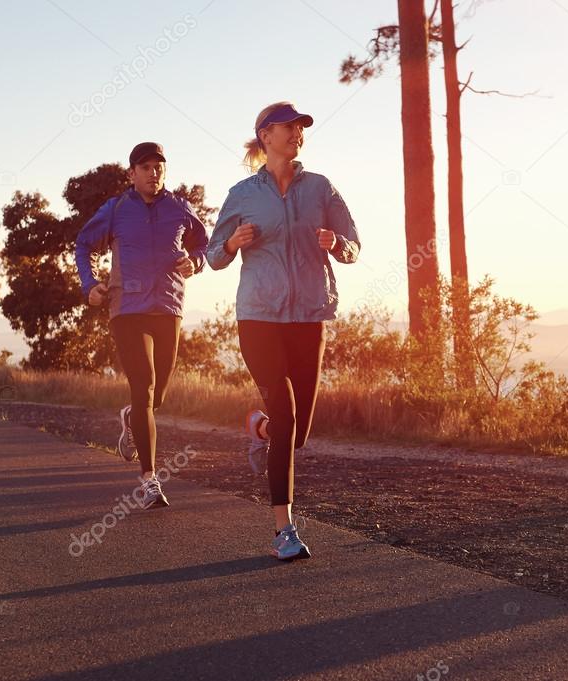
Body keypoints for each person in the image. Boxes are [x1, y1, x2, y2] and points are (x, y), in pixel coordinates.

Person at [206, 102, 360, 560]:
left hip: (308, 316)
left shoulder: (320, 188)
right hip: (258, 317)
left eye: (300, 127)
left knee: (297, 434)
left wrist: (338, 244)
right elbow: (214, 254)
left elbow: (354, 245)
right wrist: (233, 243)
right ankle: (283, 531)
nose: (296, 133)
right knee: (288, 412)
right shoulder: (242, 193)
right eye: (287, 127)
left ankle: (261, 429)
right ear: (264, 136)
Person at [75, 142, 208, 509]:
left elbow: (205, 244)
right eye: (146, 167)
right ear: (132, 173)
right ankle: (150, 479)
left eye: (159, 167)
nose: (154, 173)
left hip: (168, 306)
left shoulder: (179, 207)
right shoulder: (116, 209)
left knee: (158, 395)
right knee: (144, 387)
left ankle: (131, 417)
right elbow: (83, 244)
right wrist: (90, 285)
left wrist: (196, 261)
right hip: (127, 307)